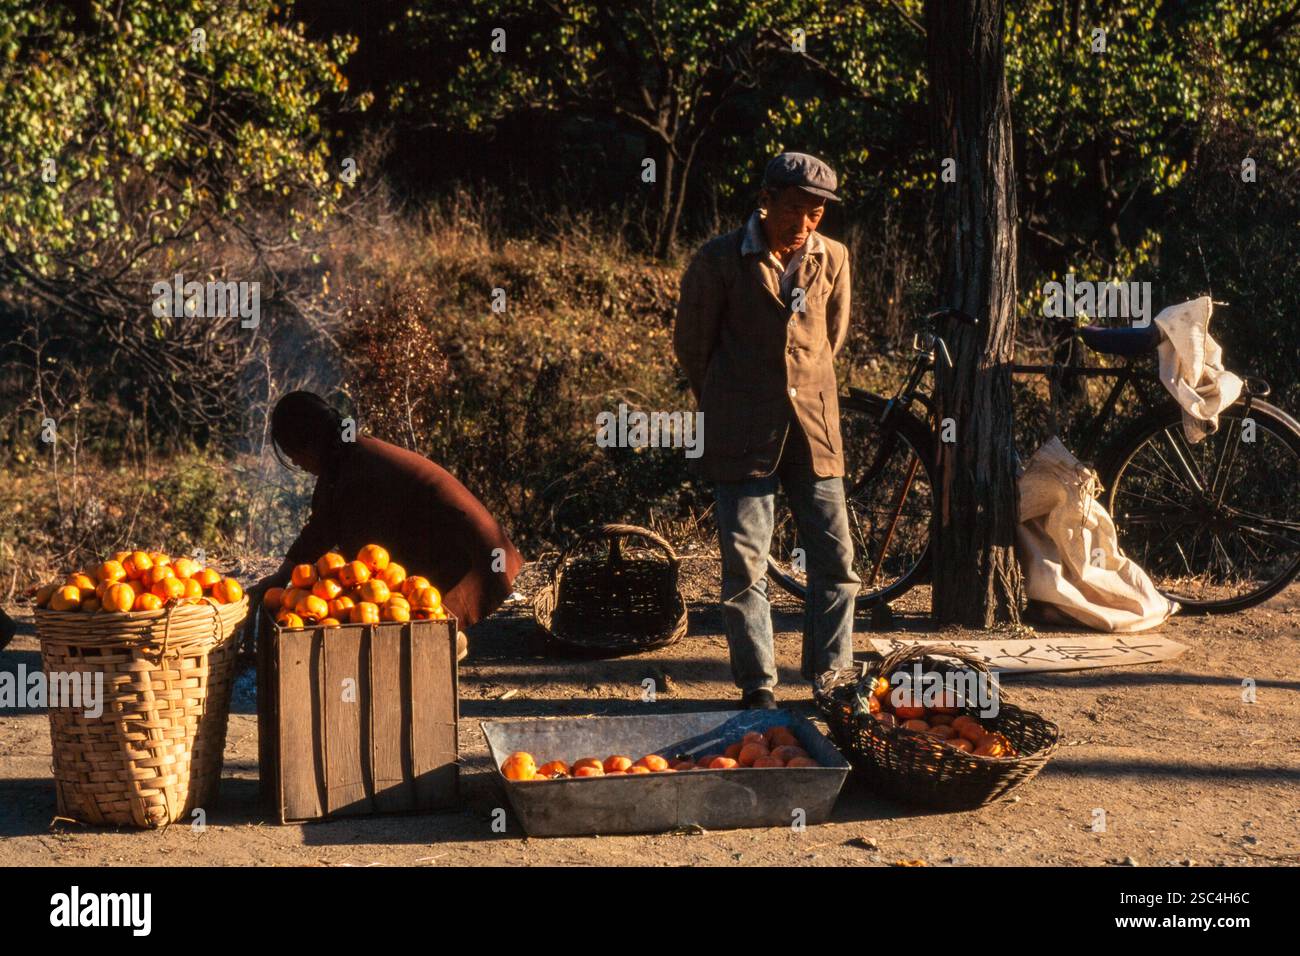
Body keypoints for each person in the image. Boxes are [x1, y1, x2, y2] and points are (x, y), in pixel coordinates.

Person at [673, 151, 860, 709]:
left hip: (814, 428)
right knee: (745, 562)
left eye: (817, 213)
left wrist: (802, 388)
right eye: (796, 210)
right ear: (767, 200)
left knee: (836, 561)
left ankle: (831, 679)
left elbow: (832, 336)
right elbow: (693, 346)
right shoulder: (720, 259)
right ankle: (758, 686)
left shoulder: (834, 258)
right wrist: (727, 401)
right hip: (741, 430)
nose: (805, 225)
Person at [251, 391, 524, 660]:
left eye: (294, 453)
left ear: (310, 442)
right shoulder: (346, 455)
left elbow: (363, 559)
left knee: (389, 601)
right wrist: (280, 577)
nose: (296, 463)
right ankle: (438, 637)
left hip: (475, 557)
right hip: (470, 547)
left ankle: (442, 638)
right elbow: (322, 527)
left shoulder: (359, 467)